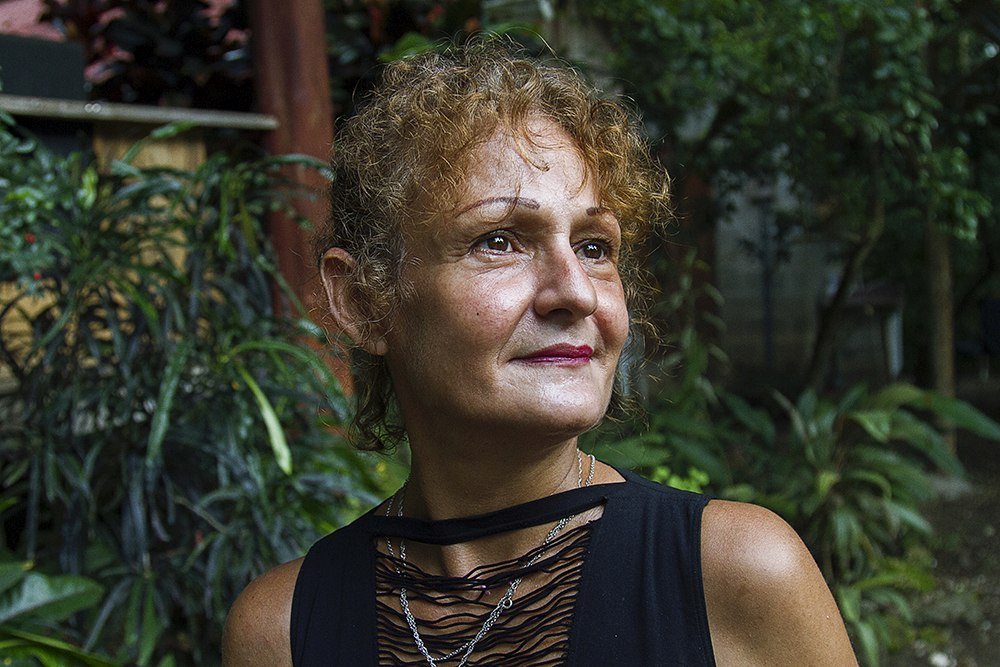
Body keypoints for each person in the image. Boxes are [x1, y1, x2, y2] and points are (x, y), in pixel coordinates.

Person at [222, 40, 857, 666]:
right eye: (499, 241)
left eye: (593, 247)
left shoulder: (735, 578)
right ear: (365, 301)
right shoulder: (284, 631)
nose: (576, 292)